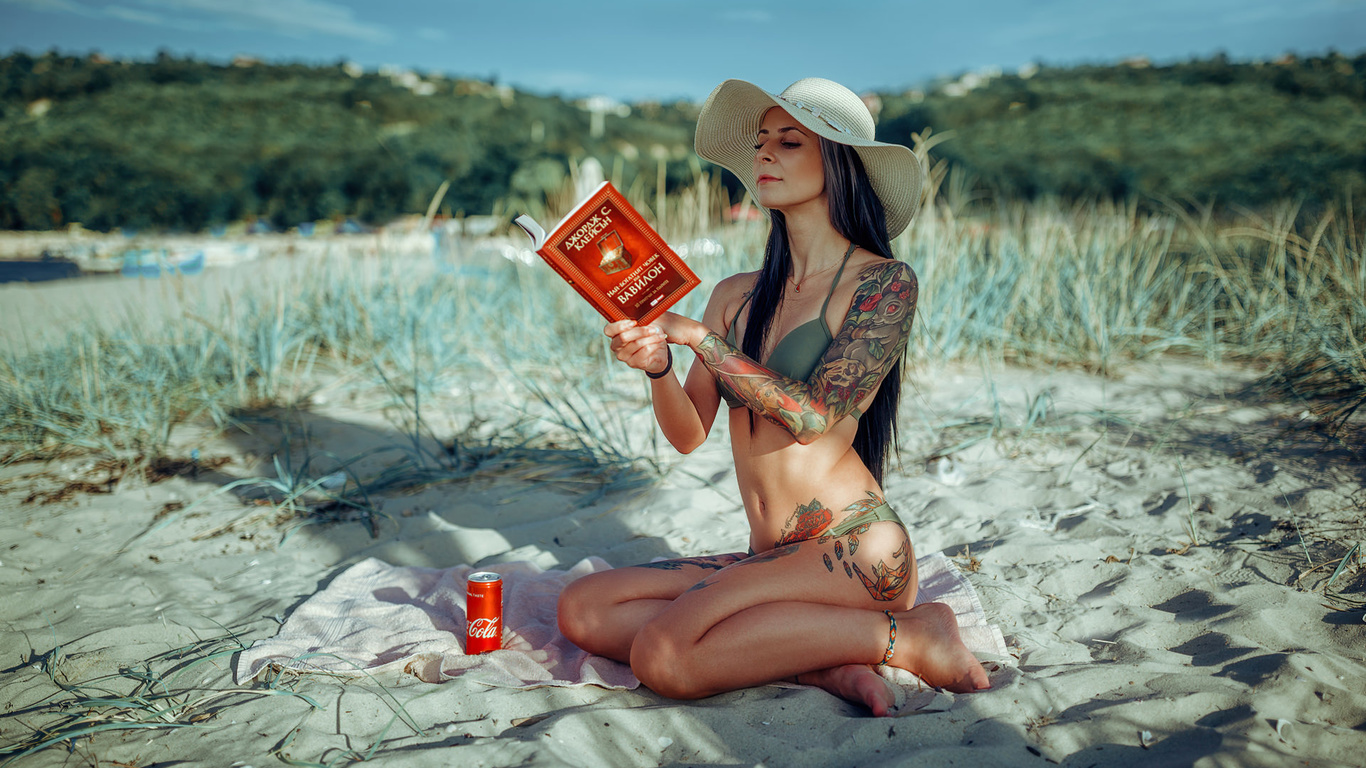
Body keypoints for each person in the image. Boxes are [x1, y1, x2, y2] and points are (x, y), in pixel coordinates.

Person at [557, 77, 990, 716]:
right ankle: (827, 667)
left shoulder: (883, 283)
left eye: (788, 141)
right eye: (760, 143)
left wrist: (702, 341)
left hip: (855, 550)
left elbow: (815, 416)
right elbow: (687, 435)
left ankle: (904, 634)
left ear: (840, 165)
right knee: (585, 609)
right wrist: (657, 370)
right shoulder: (737, 294)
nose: (763, 154)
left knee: (665, 656)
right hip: (776, 556)